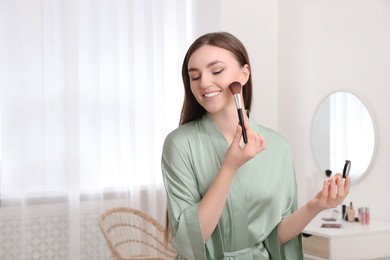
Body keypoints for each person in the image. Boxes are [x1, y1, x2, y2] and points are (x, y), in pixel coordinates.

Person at [161, 32, 350, 259]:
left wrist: (316, 205)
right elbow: (191, 240)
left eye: (217, 70)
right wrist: (229, 168)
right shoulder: (179, 145)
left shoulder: (278, 147)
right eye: (194, 76)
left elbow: (275, 237)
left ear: (244, 74)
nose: (204, 82)